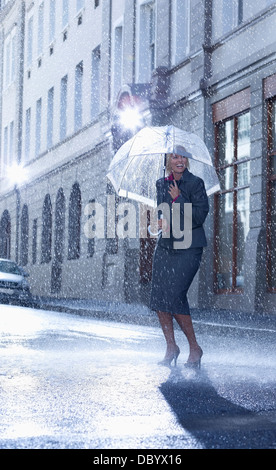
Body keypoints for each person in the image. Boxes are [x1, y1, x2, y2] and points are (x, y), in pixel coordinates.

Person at [150, 153, 209, 368]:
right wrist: (156, 224)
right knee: (159, 297)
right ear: (169, 161)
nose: (179, 160)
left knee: (175, 295)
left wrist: (178, 198)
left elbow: (199, 216)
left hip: (189, 248)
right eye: (175, 157)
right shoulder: (161, 184)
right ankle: (171, 346)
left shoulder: (196, 183)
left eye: (183, 157)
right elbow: (164, 215)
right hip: (166, 246)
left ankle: (195, 348)